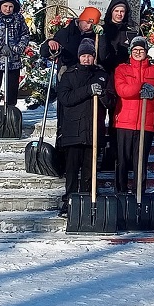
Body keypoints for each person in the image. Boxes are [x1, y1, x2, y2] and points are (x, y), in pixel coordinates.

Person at [54, 38, 110, 217]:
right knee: (72, 171)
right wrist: (88, 90)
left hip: (93, 131)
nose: (86, 59)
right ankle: (69, 202)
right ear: (79, 57)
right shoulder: (70, 75)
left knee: (89, 171)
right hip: (73, 131)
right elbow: (65, 98)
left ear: (94, 57)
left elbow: (111, 102)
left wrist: (102, 95)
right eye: (83, 56)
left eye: (89, 56)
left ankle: (87, 200)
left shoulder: (102, 75)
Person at [113, 35, 154, 194]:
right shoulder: (122, 69)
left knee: (141, 162)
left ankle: (138, 193)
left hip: (146, 123)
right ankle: (121, 192)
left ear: (146, 52)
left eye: (141, 50)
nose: (138, 52)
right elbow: (122, 90)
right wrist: (141, 86)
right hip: (124, 122)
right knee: (122, 161)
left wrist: (153, 95)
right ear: (130, 52)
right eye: (135, 50)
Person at [97, 0, 138, 170]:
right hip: (105, 77)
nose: (119, 14)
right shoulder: (103, 29)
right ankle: (98, 153)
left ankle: (115, 156)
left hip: (122, 81)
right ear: (111, 12)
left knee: (117, 120)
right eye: (116, 11)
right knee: (99, 119)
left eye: (122, 11)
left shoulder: (131, 31)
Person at [39, 7, 101, 77]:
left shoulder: (95, 36)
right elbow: (44, 53)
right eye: (87, 22)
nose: (89, 26)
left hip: (88, 76)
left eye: (92, 24)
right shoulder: (65, 32)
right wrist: (49, 43)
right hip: (67, 74)